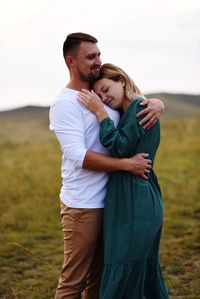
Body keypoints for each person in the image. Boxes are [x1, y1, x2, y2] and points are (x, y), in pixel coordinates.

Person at [49, 32, 165, 299]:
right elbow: (78, 155)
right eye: (90, 57)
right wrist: (125, 164)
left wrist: (158, 104)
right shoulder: (65, 104)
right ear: (71, 61)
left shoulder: (101, 94)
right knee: (73, 280)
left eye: (98, 54)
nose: (97, 61)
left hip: (114, 202)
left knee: (100, 280)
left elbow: (133, 111)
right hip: (84, 205)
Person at [78, 63, 169, 299]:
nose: (104, 98)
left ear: (122, 80)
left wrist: (100, 113)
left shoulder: (139, 107)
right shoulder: (131, 110)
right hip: (134, 194)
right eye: (99, 96)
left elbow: (120, 147)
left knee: (125, 266)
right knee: (132, 268)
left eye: (106, 89)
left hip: (134, 198)